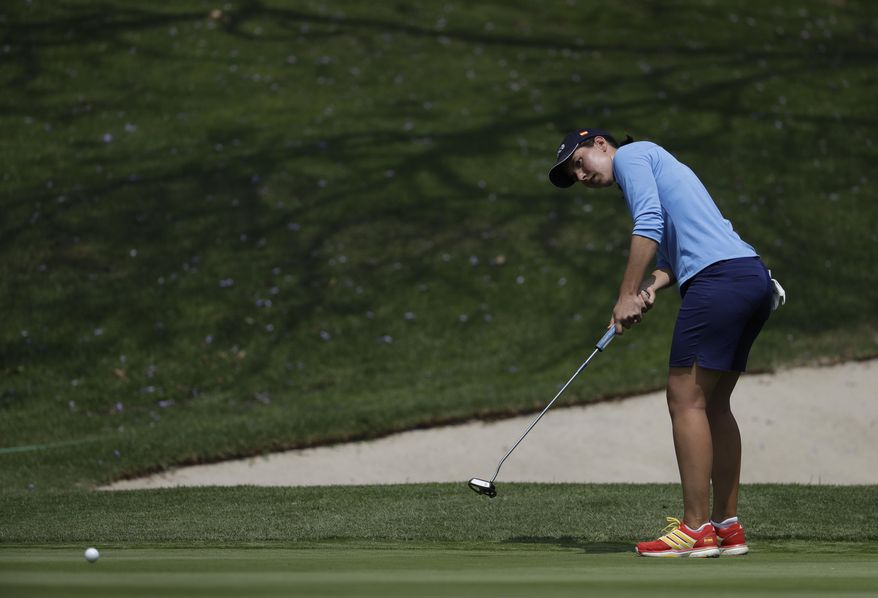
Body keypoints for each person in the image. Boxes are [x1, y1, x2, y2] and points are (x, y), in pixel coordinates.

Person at [549, 128, 778, 558]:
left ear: (601, 144)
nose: (580, 175)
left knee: (683, 398)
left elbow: (649, 225)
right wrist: (648, 288)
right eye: (572, 173)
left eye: (579, 161)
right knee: (713, 405)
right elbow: (672, 261)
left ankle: (695, 529)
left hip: (718, 281)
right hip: (750, 278)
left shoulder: (632, 156)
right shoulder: (653, 164)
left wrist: (623, 294)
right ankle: (727, 527)